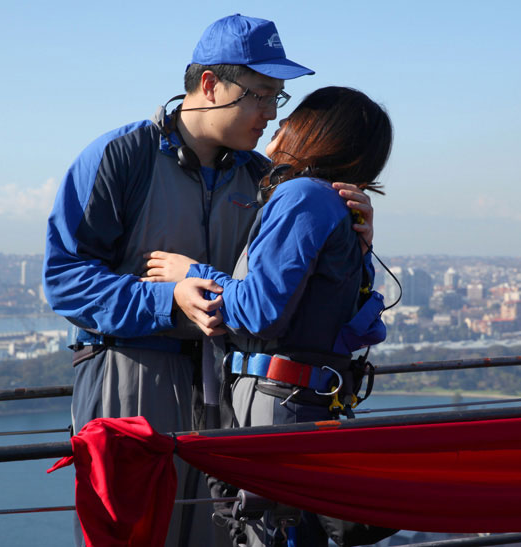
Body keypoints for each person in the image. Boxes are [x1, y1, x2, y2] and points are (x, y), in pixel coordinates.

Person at [42, 14, 375, 547]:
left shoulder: (263, 177)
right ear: (209, 84)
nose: (270, 114)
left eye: (278, 98)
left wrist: (352, 240)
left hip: (230, 387)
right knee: (133, 532)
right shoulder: (121, 158)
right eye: (260, 94)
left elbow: (291, 291)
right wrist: (164, 299)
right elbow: (64, 280)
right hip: (129, 377)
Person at [144, 86, 394, 547]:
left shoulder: (302, 196)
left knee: (272, 534)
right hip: (305, 398)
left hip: (276, 401)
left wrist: (189, 273)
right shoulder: (336, 206)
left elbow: (260, 312)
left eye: (292, 116)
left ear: (317, 133)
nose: (278, 123)